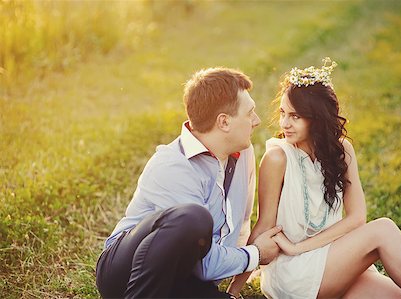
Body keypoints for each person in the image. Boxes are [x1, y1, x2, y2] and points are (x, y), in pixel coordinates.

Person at [227, 58, 401, 299]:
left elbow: (356, 218)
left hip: (333, 260)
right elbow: (263, 226)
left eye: (295, 116)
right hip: (294, 272)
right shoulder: (277, 158)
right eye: (282, 113)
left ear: (317, 118)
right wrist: (233, 292)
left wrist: (301, 245)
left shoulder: (342, 151)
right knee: (383, 229)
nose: (285, 123)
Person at [95, 67, 282, 298]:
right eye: (249, 113)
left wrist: (234, 284)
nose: (257, 121)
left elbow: (241, 224)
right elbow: (205, 265)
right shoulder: (173, 166)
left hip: (183, 279)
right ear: (224, 122)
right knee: (193, 218)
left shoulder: (242, 152)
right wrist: (255, 255)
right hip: (126, 276)